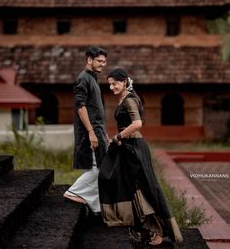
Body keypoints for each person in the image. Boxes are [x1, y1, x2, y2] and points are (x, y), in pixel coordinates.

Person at [98, 68, 183, 246]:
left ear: (124, 82)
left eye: (115, 83)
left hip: (135, 149)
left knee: (145, 188)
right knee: (130, 188)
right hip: (127, 148)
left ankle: (159, 230)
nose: (112, 87)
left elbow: (137, 124)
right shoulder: (124, 98)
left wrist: (119, 137)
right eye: (110, 84)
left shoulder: (129, 99)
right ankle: (141, 228)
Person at [63, 46, 108, 214]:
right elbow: (80, 108)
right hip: (91, 131)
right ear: (89, 59)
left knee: (99, 166)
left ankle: (94, 207)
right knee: (99, 167)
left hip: (98, 129)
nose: (102, 64)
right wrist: (91, 132)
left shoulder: (92, 78)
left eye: (104, 62)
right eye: (99, 61)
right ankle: (74, 191)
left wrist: (104, 133)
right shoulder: (83, 78)